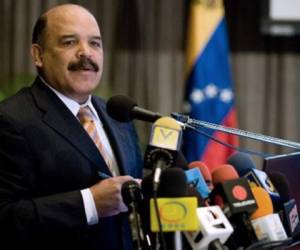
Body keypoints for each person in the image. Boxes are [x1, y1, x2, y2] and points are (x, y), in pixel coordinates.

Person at [0, 4, 142, 250]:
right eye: (69, 42)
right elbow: (4, 218)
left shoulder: (118, 115)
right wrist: (89, 204)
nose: (85, 53)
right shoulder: (10, 119)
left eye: (95, 43)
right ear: (38, 55)